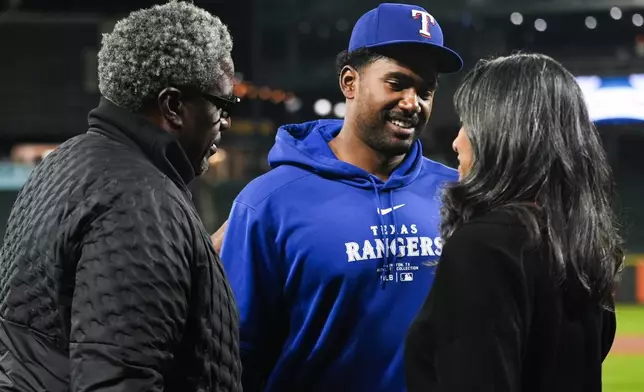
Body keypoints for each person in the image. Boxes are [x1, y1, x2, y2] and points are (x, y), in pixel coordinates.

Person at [219, 3, 463, 391]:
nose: (411, 102)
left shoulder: (460, 193)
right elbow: (234, 351)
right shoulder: (268, 203)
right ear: (349, 82)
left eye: (425, 90)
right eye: (397, 83)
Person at [0, 1, 242, 391]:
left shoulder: (65, 163)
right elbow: (118, 379)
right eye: (222, 104)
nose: (226, 121)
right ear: (174, 106)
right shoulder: (143, 206)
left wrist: (194, 260)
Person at [404, 53, 624, 392]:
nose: (457, 141)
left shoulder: (483, 246)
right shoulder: (580, 244)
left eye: (470, 122)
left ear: (501, 134)